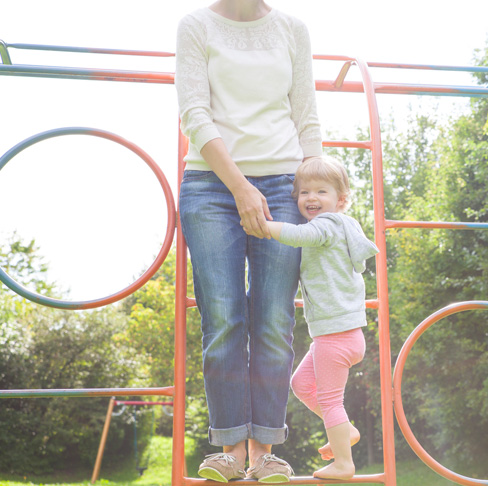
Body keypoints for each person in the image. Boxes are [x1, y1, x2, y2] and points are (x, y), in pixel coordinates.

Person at [175, 0, 322, 482]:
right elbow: (194, 114)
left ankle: (265, 452)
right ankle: (230, 450)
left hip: (284, 185)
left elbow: (307, 116)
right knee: (222, 317)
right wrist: (240, 188)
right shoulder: (196, 26)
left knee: (275, 319)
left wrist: (317, 186)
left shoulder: (292, 29)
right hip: (211, 186)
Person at [251, 156, 379, 480]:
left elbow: (300, 236)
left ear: (341, 200)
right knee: (302, 384)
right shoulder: (346, 225)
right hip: (344, 335)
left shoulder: (327, 224)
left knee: (330, 400)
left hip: (335, 336)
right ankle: (344, 430)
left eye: (321, 191)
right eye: (304, 191)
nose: (311, 198)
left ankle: (344, 464)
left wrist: (264, 227)